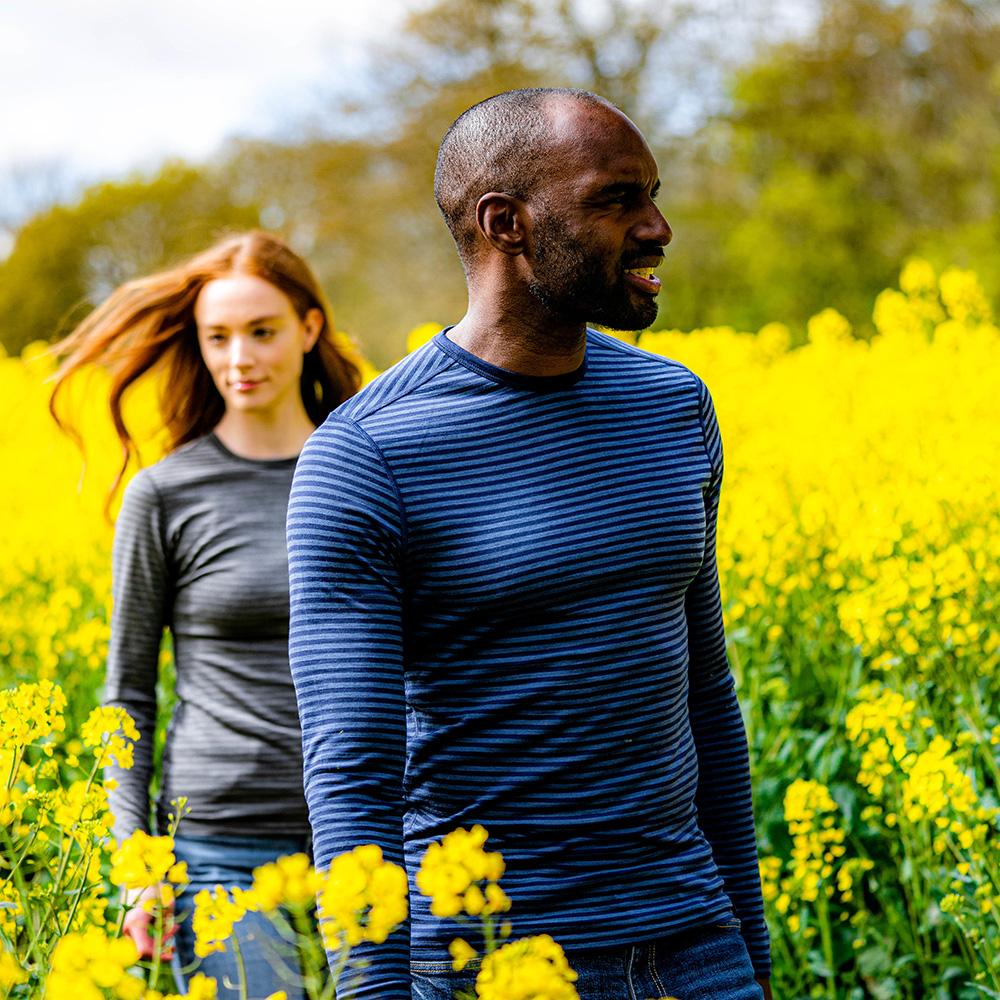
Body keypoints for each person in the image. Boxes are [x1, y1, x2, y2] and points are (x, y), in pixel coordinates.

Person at [287, 88, 772, 999]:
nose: (658, 226)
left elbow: (708, 696)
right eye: (617, 199)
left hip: (694, 944)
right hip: (485, 961)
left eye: (654, 195)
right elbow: (352, 778)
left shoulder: (676, 409)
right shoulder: (369, 454)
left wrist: (747, 948)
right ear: (505, 223)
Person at [50, 231, 362, 998]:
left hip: (364, 836)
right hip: (221, 843)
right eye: (217, 337)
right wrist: (138, 870)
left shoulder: (367, 469)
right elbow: (125, 696)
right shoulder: (165, 495)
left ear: (310, 328)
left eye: (262, 331)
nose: (239, 358)